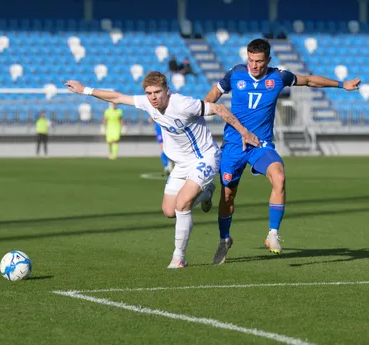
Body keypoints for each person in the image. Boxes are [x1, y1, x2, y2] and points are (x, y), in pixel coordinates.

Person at [65, 71, 260, 268]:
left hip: (205, 158)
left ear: (167, 91)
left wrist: (244, 132)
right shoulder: (147, 103)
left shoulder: (183, 104)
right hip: (182, 164)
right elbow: (117, 97)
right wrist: (84, 90)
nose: (153, 97)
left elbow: (218, 108)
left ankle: (179, 257)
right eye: (149, 93)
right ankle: (207, 193)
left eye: (157, 92)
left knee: (182, 205)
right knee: (169, 211)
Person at [204, 38, 361, 264]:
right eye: (250, 60)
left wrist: (341, 84)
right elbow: (212, 97)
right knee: (228, 194)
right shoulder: (235, 74)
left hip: (261, 144)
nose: (254, 66)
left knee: (279, 176)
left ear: (268, 59)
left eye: (259, 61)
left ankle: (272, 234)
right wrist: (201, 110)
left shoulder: (279, 76)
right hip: (233, 144)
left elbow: (308, 81)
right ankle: (224, 240)